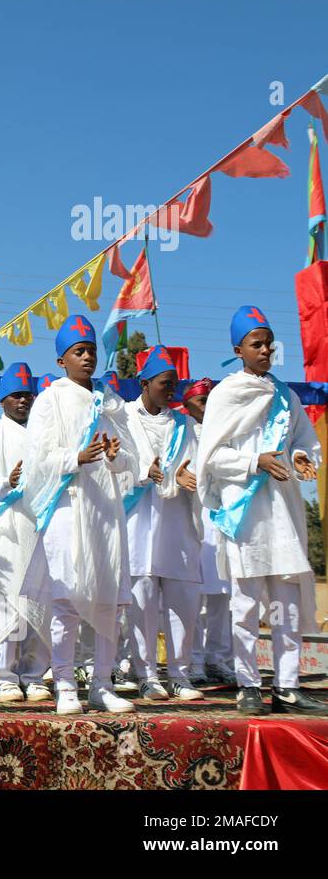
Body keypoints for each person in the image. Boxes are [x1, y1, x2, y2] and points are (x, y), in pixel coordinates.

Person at [195, 306, 326, 716]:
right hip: (245, 514)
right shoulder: (226, 394)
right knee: (246, 604)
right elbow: (211, 457)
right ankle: (249, 685)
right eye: (257, 344)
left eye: (269, 342)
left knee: (286, 604)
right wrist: (256, 462)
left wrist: (303, 457)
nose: (266, 349)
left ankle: (287, 686)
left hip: (283, 513)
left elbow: (304, 441)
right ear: (239, 349)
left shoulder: (286, 397)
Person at [17, 315, 138, 715]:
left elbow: (133, 461)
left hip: (106, 510)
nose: (87, 357)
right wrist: (76, 457)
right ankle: (65, 684)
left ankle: (102, 683)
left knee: (110, 600)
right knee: (67, 598)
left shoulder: (111, 401)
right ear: (61, 360)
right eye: (78, 351)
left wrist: (120, 459)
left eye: (91, 351)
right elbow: (37, 460)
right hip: (68, 507)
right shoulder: (51, 398)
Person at [122, 346, 204, 701]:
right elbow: (116, 464)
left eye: (174, 384)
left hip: (176, 522)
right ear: (144, 383)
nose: (171, 390)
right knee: (141, 602)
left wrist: (192, 476)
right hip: (137, 521)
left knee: (183, 602)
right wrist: (143, 472)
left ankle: (180, 675)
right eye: (164, 384)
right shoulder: (123, 418)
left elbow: (202, 464)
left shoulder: (186, 425)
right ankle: (147, 675)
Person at [0, 362, 53, 703]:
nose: (23, 401)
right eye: (15, 396)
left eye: (27, 396)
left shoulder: (45, 437)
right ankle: (6, 676)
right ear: (2, 399)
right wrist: (8, 483)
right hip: (5, 528)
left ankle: (34, 675)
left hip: (40, 525)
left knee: (39, 601)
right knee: (7, 602)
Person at [180, 378, 237, 685]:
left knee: (222, 598)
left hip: (225, 522)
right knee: (196, 599)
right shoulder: (185, 433)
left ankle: (219, 658)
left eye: (211, 399)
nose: (208, 406)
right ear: (187, 406)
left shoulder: (228, 434)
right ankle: (195, 660)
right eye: (202, 401)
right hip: (195, 522)